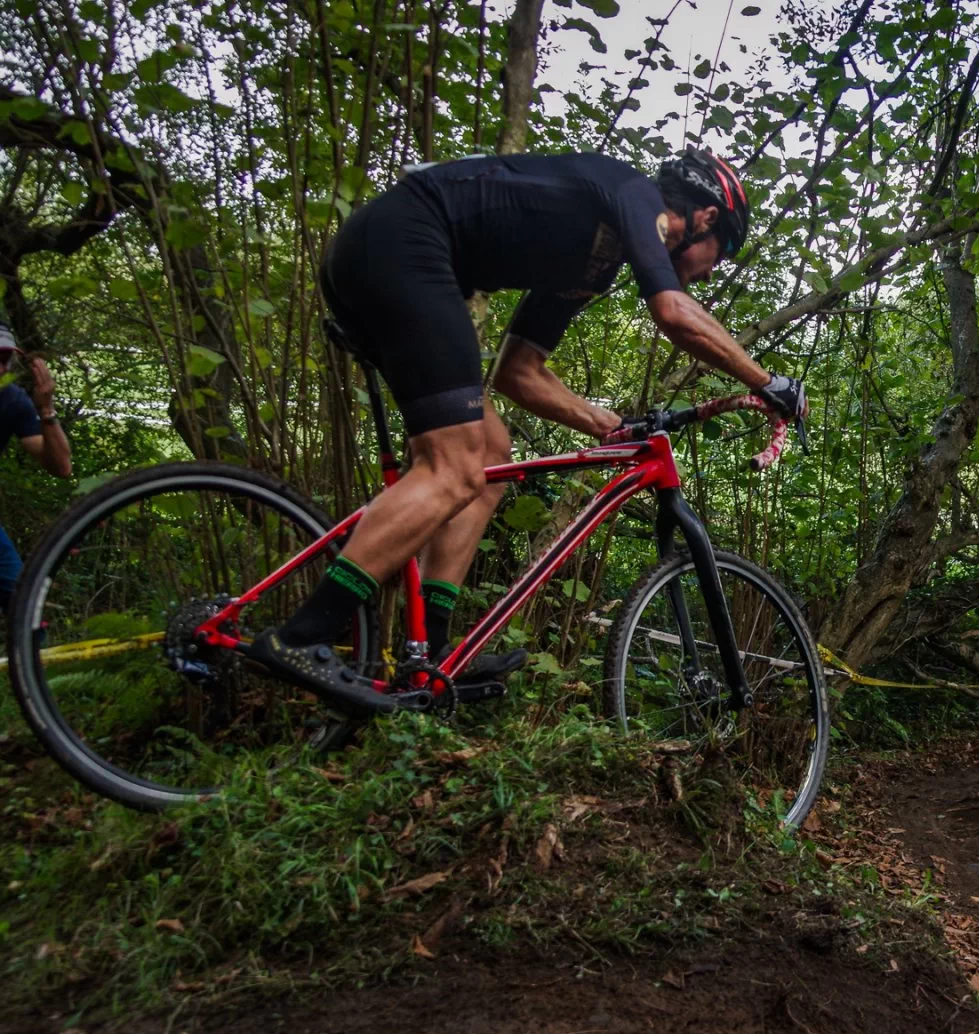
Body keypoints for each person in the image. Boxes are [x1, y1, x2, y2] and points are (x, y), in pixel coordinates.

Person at [248, 149, 806, 716]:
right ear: (706, 217)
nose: (714, 269)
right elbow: (672, 310)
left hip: (390, 254)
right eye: (724, 252)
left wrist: (608, 425)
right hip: (405, 243)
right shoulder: (636, 196)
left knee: (489, 457)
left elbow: (518, 374)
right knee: (454, 466)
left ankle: (433, 652)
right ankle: (302, 636)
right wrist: (768, 382)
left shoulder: (594, 264)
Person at [0, 308, 73, 611]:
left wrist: (46, 409)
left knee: (26, 607)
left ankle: (26, 656)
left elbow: (61, 467)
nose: (0, 368)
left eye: (4, 360)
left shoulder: (11, 400)